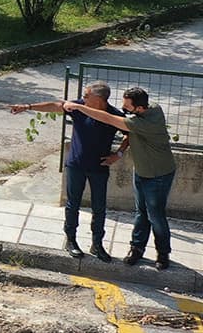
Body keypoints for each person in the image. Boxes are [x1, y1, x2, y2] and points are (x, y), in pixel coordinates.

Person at [66, 87, 179, 270]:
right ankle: (137, 249)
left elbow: (108, 118)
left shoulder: (143, 123)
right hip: (142, 171)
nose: (123, 109)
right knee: (141, 212)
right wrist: (118, 153)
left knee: (155, 215)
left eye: (127, 107)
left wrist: (80, 108)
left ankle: (163, 253)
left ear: (139, 109)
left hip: (158, 175)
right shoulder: (153, 107)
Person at [11, 83, 122, 261]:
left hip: (99, 168)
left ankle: (97, 244)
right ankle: (71, 240)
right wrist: (28, 107)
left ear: (99, 99)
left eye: (87, 96)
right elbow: (56, 105)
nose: (83, 98)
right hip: (76, 165)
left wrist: (118, 154)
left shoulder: (114, 115)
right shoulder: (79, 107)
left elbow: (130, 132)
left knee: (99, 207)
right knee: (73, 204)